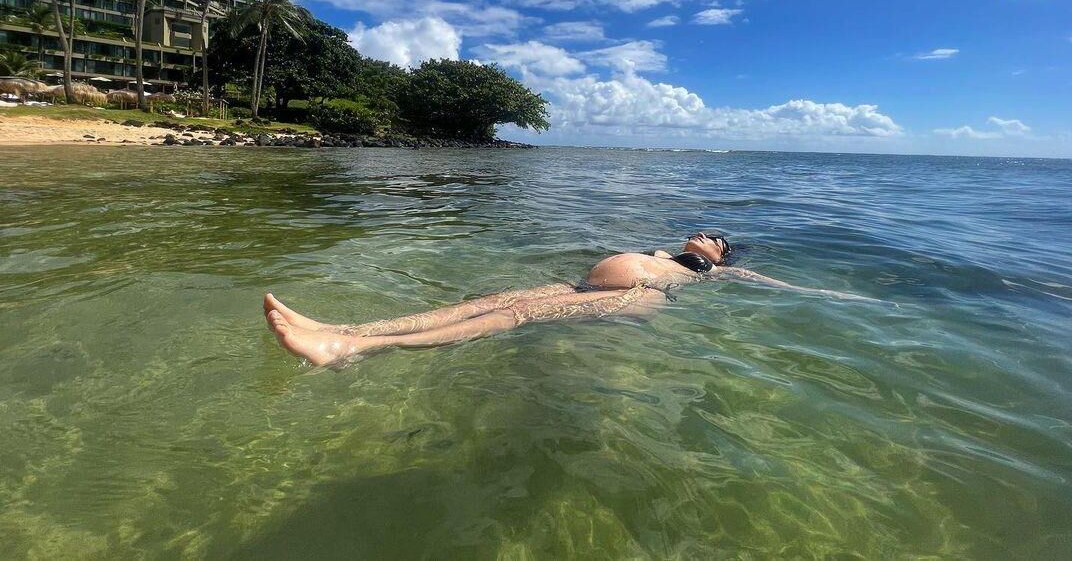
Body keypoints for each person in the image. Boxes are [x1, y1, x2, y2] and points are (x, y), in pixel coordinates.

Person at [264, 232, 842, 366]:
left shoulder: (706, 272)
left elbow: (769, 286)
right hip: (589, 286)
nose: (709, 237)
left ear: (719, 256)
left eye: (718, 240)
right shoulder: (668, 248)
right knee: (486, 300)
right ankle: (348, 326)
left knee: (510, 315)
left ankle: (348, 349)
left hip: (637, 298)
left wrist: (821, 292)